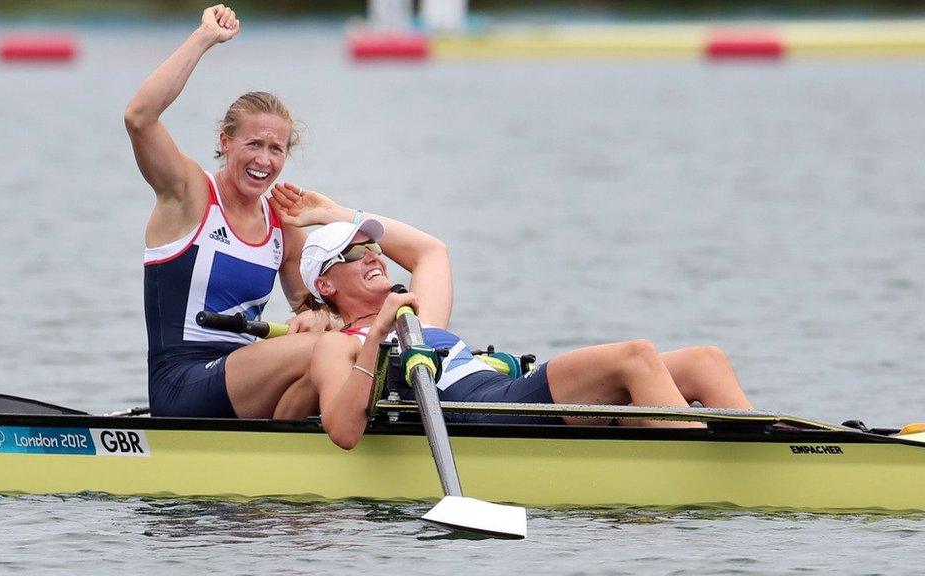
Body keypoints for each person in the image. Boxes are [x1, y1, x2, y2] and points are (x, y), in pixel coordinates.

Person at [273, 187, 754, 450]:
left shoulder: (422, 314)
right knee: (636, 356)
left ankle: (766, 454)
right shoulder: (343, 344)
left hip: (503, 391)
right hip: (483, 414)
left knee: (705, 360)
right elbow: (341, 430)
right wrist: (379, 332)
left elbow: (430, 250)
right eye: (355, 252)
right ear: (326, 284)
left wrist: (336, 212)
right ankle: (702, 471)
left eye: (374, 245)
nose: (375, 256)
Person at [124, 5, 337, 419]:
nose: (264, 160)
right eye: (253, 144)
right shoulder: (187, 193)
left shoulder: (283, 224)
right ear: (225, 142)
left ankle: (288, 453)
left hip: (241, 382)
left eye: (276, 149)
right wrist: (204, 37)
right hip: (180, 384)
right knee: (324, 350)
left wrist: (321, 317)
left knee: (342, 344)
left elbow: (317, 309)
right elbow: (139, 117)